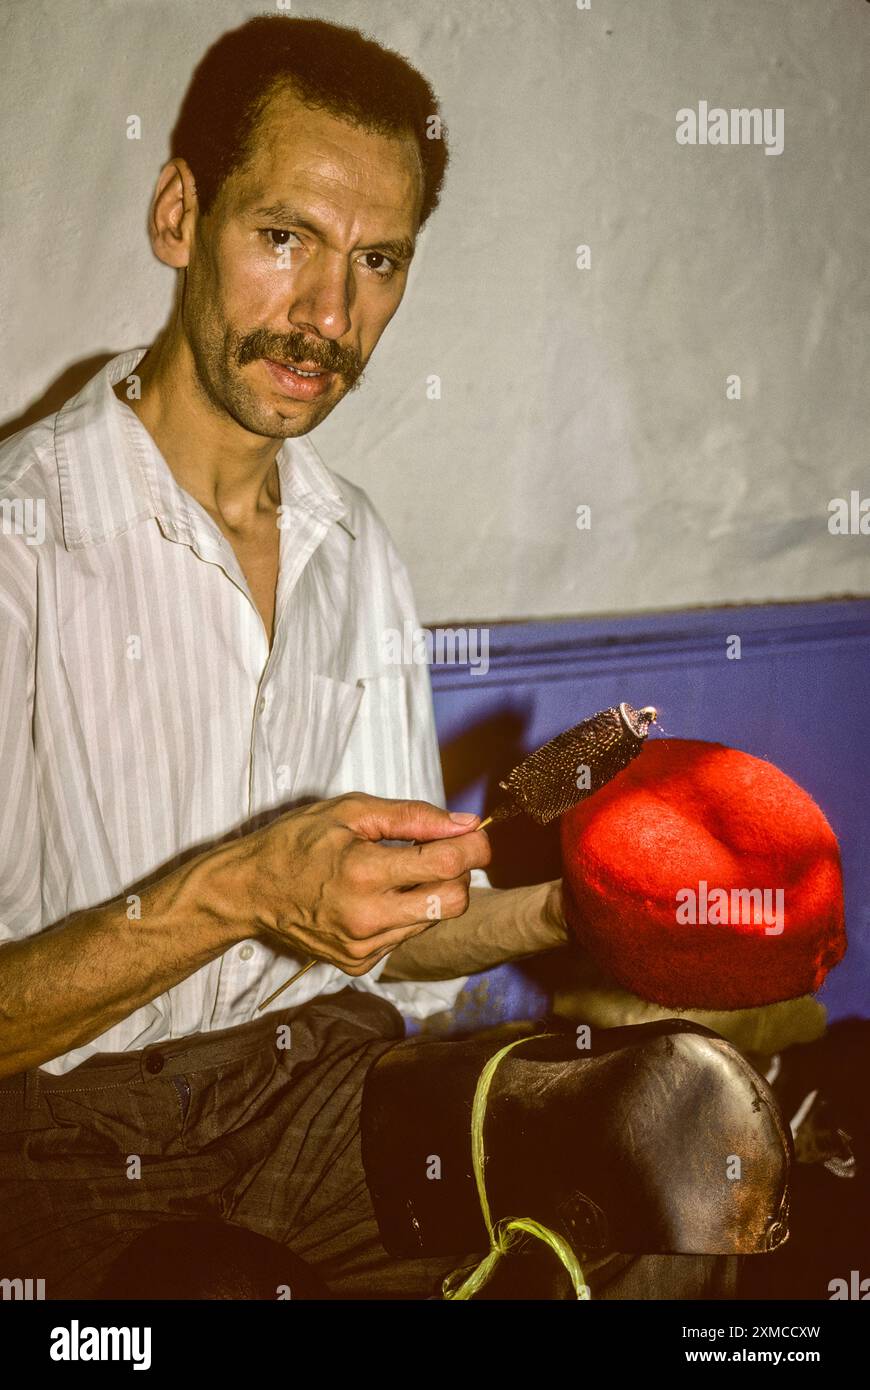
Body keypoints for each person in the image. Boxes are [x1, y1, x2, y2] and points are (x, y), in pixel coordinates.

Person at [0, 16, 782, 1301]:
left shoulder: (351, 542)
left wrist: (572, 912)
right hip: (70, 1144)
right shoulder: (24, 539)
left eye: (377, 262)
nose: (326, 315)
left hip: (313, 1086)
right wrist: (243, 888)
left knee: (676, 1162)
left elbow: (380, 932)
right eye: (283, 238)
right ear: (178, 215)